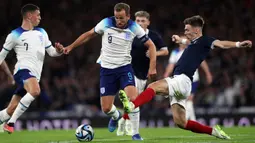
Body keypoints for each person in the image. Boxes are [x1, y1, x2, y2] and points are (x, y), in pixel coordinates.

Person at [119, 15, 252, 140]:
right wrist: (179, 40)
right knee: (181, 122)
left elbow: (222, 44)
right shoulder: (193, 43)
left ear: (196, 30)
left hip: (182, 80)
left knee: (152, 86)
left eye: (187, 29)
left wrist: (239, 44)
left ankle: (131, 106)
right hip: (182, 84)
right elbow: (187, 42)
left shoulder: (205, 40)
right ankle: (213, 131)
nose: (185, 31)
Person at [63, 3, 157, 140]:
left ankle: (135, 133)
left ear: (128, 16)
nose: (119, 21)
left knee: (134, 98)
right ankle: (117, 116)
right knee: (106, 108)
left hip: (125, 68)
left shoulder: (134, 27)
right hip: (107, 70)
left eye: (122, 18)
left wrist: (152, 67)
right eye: (117, 17)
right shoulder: (106, 22)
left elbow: (151, 45)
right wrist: (71, 47)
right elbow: (89, 34)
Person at [0, 4, 64, 134]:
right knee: (35, 91)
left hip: (34, 75)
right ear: (29, 16)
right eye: (38, 15)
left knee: (10, 109)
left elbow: (51, 52)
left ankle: (4, 118)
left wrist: (59, 51)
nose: (40, 18)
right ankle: (11, 123)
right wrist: (8, 74)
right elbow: (1, 56)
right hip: (22, 71)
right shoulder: (14, 35)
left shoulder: (42, 32)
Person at [117, 11, 169, 137]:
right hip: (129, 70)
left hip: (143, 74)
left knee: (133, 102)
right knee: (135, 101)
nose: (140, 23)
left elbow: (165, 51)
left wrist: (154, 53)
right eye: (138, 21)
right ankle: (135, 133)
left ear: (148, 22)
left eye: (143, 21)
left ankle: (123, 120)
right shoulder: (129, 33)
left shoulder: (153, 36)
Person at [164, 35, 212, 120]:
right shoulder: (175, 52)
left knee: (189, 99)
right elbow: (171, 65)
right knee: (185, 100)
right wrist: (166, 75)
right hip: (180, 80)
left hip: (193, 79)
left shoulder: (192, 51)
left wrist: (208, 73)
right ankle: (192, 120)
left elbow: (202, 62)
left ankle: (186, 120)